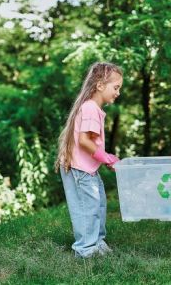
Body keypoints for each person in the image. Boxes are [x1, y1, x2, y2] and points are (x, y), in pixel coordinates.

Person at [55, 62, 123, 258]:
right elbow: (84, 141)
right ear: (100, 85)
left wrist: (106, 157)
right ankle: (85, 249)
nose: (118, 92)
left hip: (87, 169)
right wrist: (107, 159)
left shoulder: (93, 108)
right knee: (88, 208)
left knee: (98, 204)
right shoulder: (90, 108)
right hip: (80, 170)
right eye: (116, 87)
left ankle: (97, 242)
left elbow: (89, 141)